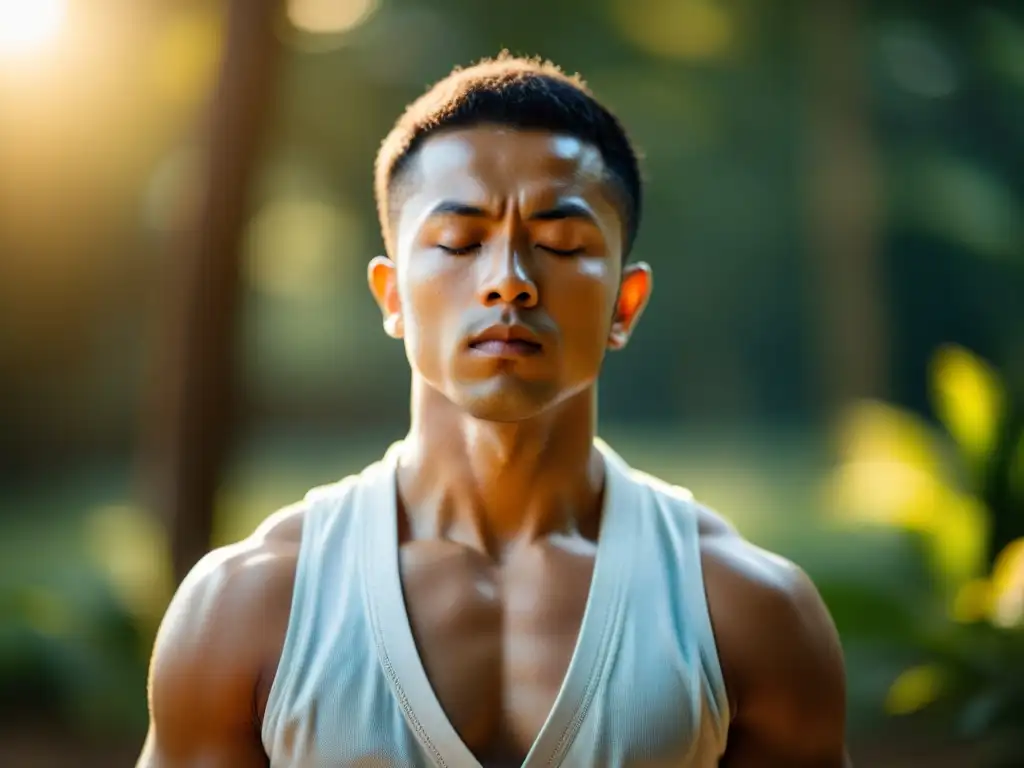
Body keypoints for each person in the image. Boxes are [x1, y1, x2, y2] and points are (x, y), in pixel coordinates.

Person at [138, 53, 849, 767]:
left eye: (560, 244)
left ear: (624, 307)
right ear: (391, 297)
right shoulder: (250, 606)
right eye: (459, 242)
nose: (508, 282)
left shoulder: (744, 609)